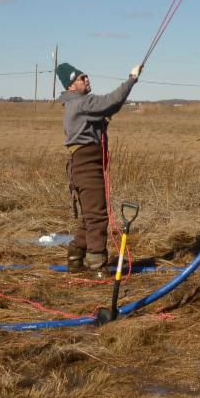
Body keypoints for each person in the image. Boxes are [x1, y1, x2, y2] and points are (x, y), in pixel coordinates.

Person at [57, 62, 142, 278]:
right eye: (80, 78)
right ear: (71, 86)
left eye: (86, 76)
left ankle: (75, 258)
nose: (86, 80)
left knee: (89, 216)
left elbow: (103, 110)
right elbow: (111, 101)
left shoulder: (76, 104)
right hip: (87, 165)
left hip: (83, 165)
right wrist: (131, 79)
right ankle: (97, 265)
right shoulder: (82, 103)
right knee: (97, 217)